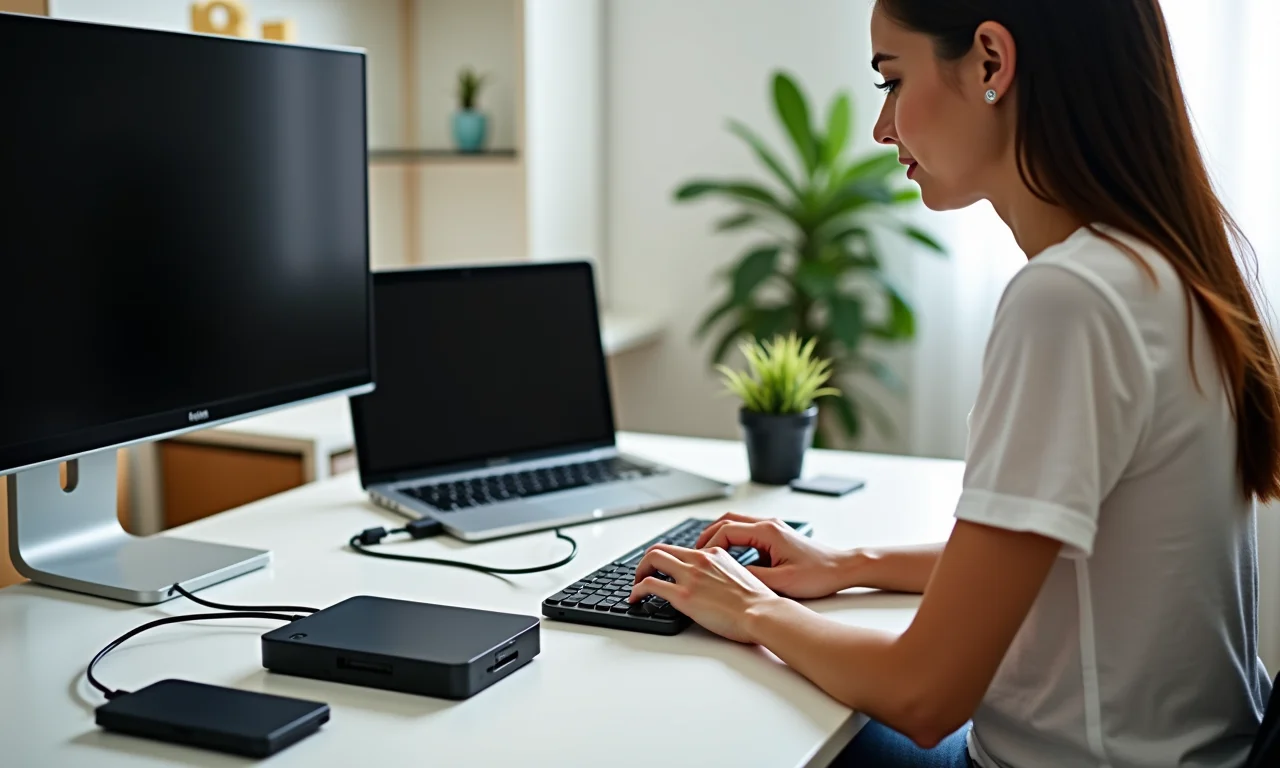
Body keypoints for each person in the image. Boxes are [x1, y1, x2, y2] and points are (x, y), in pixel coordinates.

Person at [627, 1, 1280, 766]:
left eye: (892, 80)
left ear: (991, 63)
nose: (882, 127)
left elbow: (926, 695)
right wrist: (849, 565)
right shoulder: (1162, 271)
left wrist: (751, 608)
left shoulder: (1071, 301)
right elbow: (1055, 558)